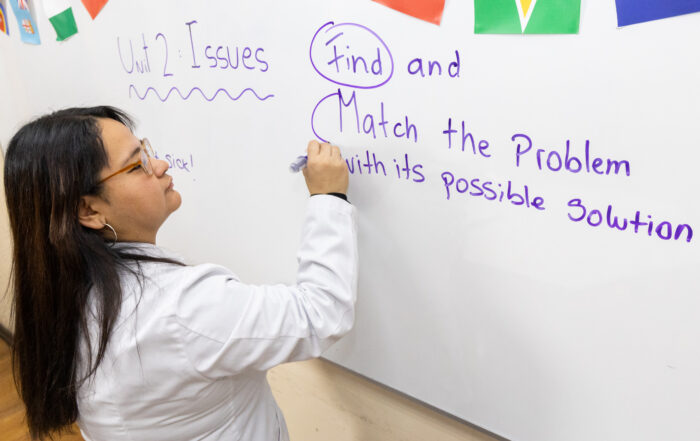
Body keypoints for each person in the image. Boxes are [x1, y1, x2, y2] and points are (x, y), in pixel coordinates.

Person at [3, 106, 357, 441]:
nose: (160, 164)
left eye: (145, 150)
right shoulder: (181, 308)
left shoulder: (62, 292)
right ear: (89, 210)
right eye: (137, 165)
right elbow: (321, 313)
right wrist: (329, 197)